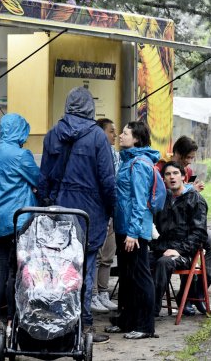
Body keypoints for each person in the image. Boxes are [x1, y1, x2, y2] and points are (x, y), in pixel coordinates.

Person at [38, 87, 116, 344]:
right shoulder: (97, 137)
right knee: (86, 269)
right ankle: (84, 326)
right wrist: (112, 209)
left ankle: (59, 323)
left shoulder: (53, 134)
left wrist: (48, 203)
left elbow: (44, 177)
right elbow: (107, 180)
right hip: (88, 214)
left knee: (58, 269)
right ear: (90, 107)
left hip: (58, 212)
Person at [0, 113, 40, 336]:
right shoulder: (22, 155)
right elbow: (38, 179)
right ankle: (12, 322)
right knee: (15, 271)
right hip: (19, 220)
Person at [155, 136, 211, 313]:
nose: (189, 161)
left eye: (192, 157)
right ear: (178, 153)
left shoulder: (188, 173)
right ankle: (190, 295)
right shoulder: (161, 168)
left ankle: (196, 292)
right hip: (172, 224)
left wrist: (192, 190)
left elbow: (197, 229)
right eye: (188, 157)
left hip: (186, 222)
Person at [106, 121, 158, 339]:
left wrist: (133, 233)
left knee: (140, 276)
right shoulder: (128, 161)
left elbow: (139, 201)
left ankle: (145, 325)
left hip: (133, 230)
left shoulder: (139, 164)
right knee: (127, 277)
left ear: (136, 138)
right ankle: (127, 321)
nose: (120, 135)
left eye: (126, 133)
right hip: (124, 226)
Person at [150, 161, 208, 316]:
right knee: (139, 259)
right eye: (168, 174)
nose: (172, 177)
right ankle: (133, 308)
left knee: (164, 262)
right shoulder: (163, 199)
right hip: (162, 249)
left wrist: (178, 250)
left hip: (185, 254)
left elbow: (199, 234)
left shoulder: (196, 200)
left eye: (175, 173)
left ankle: (150, 312)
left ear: (183, 176)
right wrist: (154, 245)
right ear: (164, 179)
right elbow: (153, 226)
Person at [90, 118, 120, 313]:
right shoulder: (96, 153)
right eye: (111, 131)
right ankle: (92, 294)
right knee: (97, 255)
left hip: (112, 209)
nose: (115, 135)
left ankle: (103, 292)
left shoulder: (116, 155)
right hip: (99, 210)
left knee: (108, 254)